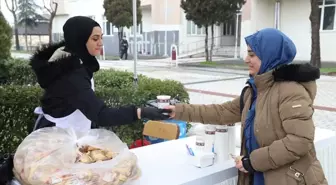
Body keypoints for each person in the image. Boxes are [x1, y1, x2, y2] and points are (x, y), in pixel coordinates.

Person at [165, 28, 327, 185]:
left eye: (252, 54)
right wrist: (178, 111)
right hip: (259, 176)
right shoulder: (254, 91)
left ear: (270, 56)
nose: (246, 59)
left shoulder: (290, 91)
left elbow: (300, 141)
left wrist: (253, 161)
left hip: (290, 179)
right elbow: (222, 112)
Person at [29, 16, 170, 132]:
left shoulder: (73, 61)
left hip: (68, 133)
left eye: (101, 37)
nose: (101, 43)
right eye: (95, 39)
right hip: (56, 139)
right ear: (79, 40)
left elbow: (83, 105)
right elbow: (100, 114)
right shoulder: (70, 74)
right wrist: (140, 112)